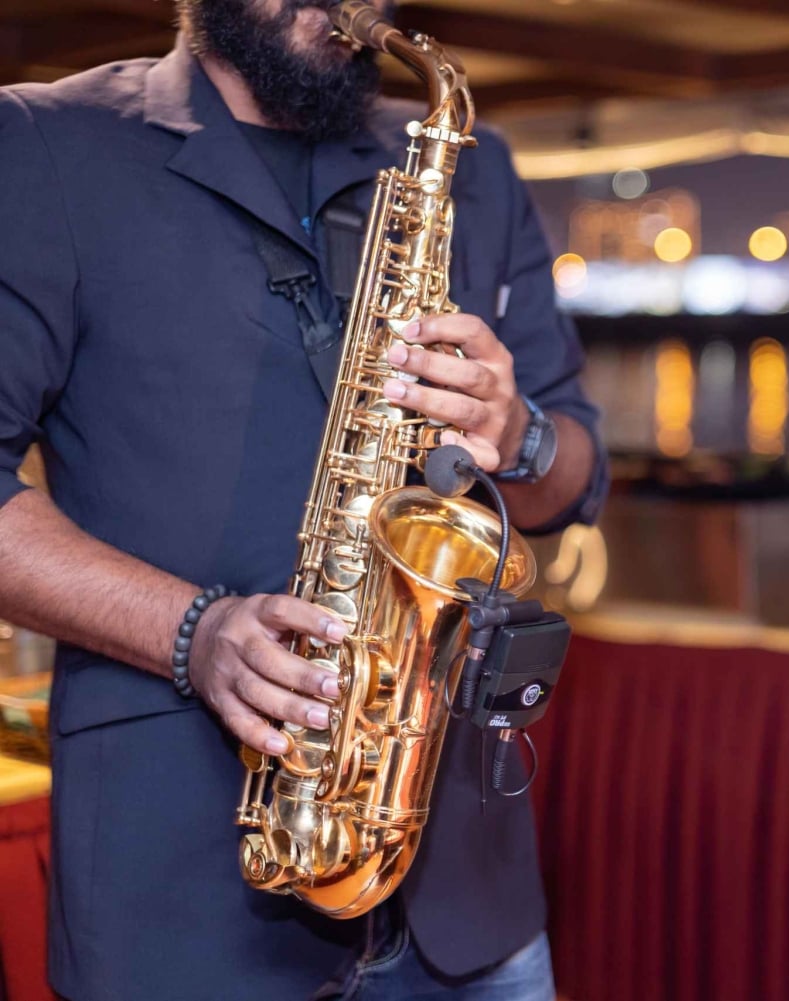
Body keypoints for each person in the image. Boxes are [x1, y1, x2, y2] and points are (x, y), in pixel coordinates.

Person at [0, 0, 608, 998]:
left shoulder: (475, 166)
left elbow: (574, 478)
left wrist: (523, 431)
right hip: (181, 906)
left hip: (467, 904)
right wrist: (189, 628)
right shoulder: (45, 145)